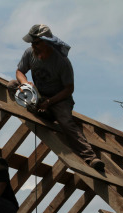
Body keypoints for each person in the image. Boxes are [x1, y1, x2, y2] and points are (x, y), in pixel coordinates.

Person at [8, 24, 105, 172]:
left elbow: (69, 89)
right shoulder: (30, 54)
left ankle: (90, 157)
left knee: (66, 123)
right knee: (12, 85)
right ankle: (41, 111)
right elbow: (20, 71)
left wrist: (50, 102)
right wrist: (25, 83)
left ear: (46, 42)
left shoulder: (61, 61)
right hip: (39, 94)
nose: (33, 46)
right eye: (32, 43)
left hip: (59, 99)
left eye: (36, 42)